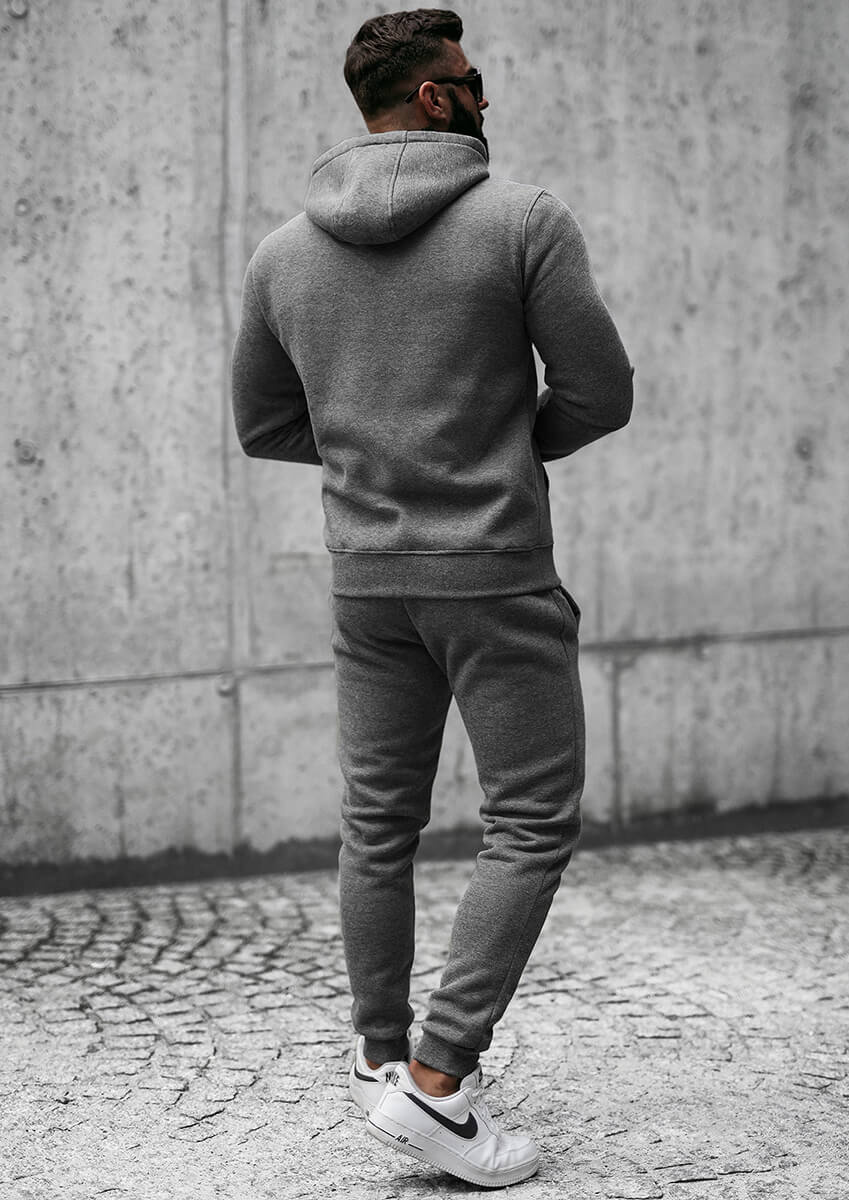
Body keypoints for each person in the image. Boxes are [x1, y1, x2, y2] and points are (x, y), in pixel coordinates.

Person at [231, 7, 633, 1188]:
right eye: (469, 77)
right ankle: (441, 1085)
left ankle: (379, 1058)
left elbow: (264, 425)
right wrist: (494, 452)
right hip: (494, 573)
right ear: (429, 97)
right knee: (531, 821)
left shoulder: (280, 254)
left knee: (377, 823)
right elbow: (601, 392)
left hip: (370, 581)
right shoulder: (523, 221)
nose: (484, 93)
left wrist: (382, 456)